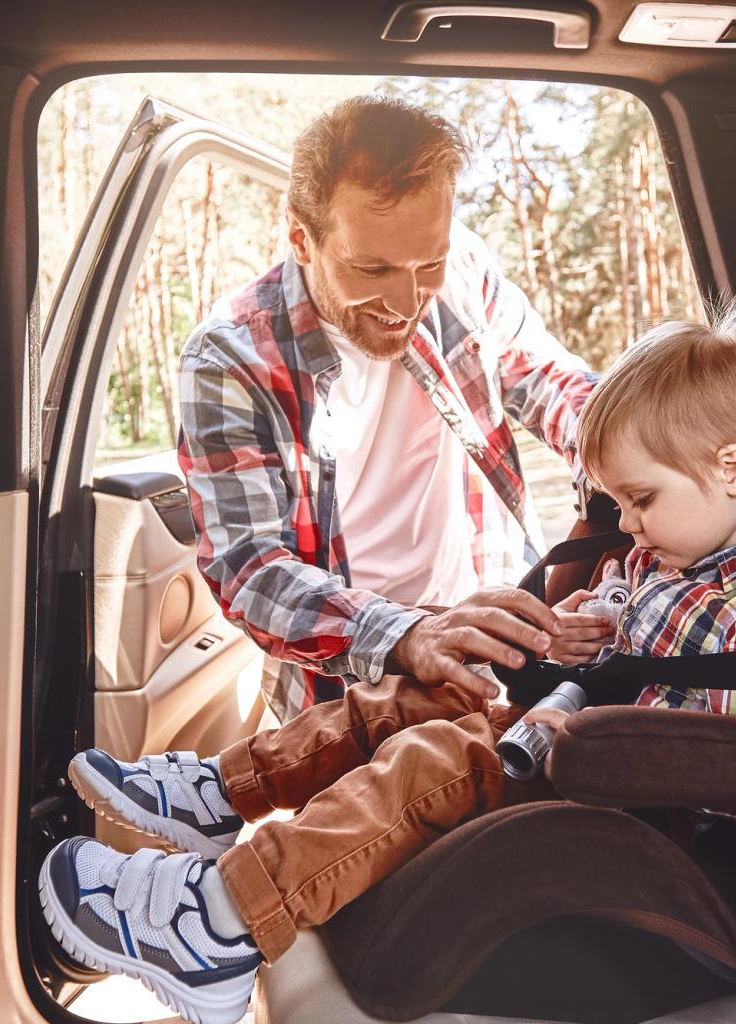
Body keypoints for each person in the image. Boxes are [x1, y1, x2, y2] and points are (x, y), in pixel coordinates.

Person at [37, 303, 736, 1024]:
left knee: (433, 757)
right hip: (565, 728)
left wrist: (589, 708)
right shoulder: (678, 557)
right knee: (409, 696)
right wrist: (581, 628)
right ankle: (224, 792)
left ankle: (221, 921)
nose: (629, 528)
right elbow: (628, 616)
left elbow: (698, 744)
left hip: (630, 789)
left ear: (734, 470)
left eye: (640, 500)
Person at [176, 95, 604, 724]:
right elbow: (249, 569)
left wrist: (628, 449)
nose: (407, 301)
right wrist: (407, 636)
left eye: (426, 261)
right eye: (370, 266)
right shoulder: (228, 358)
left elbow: (551, 382)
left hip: (497, 642)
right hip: (345, 682)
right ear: (301, 235)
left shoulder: (462, 273)